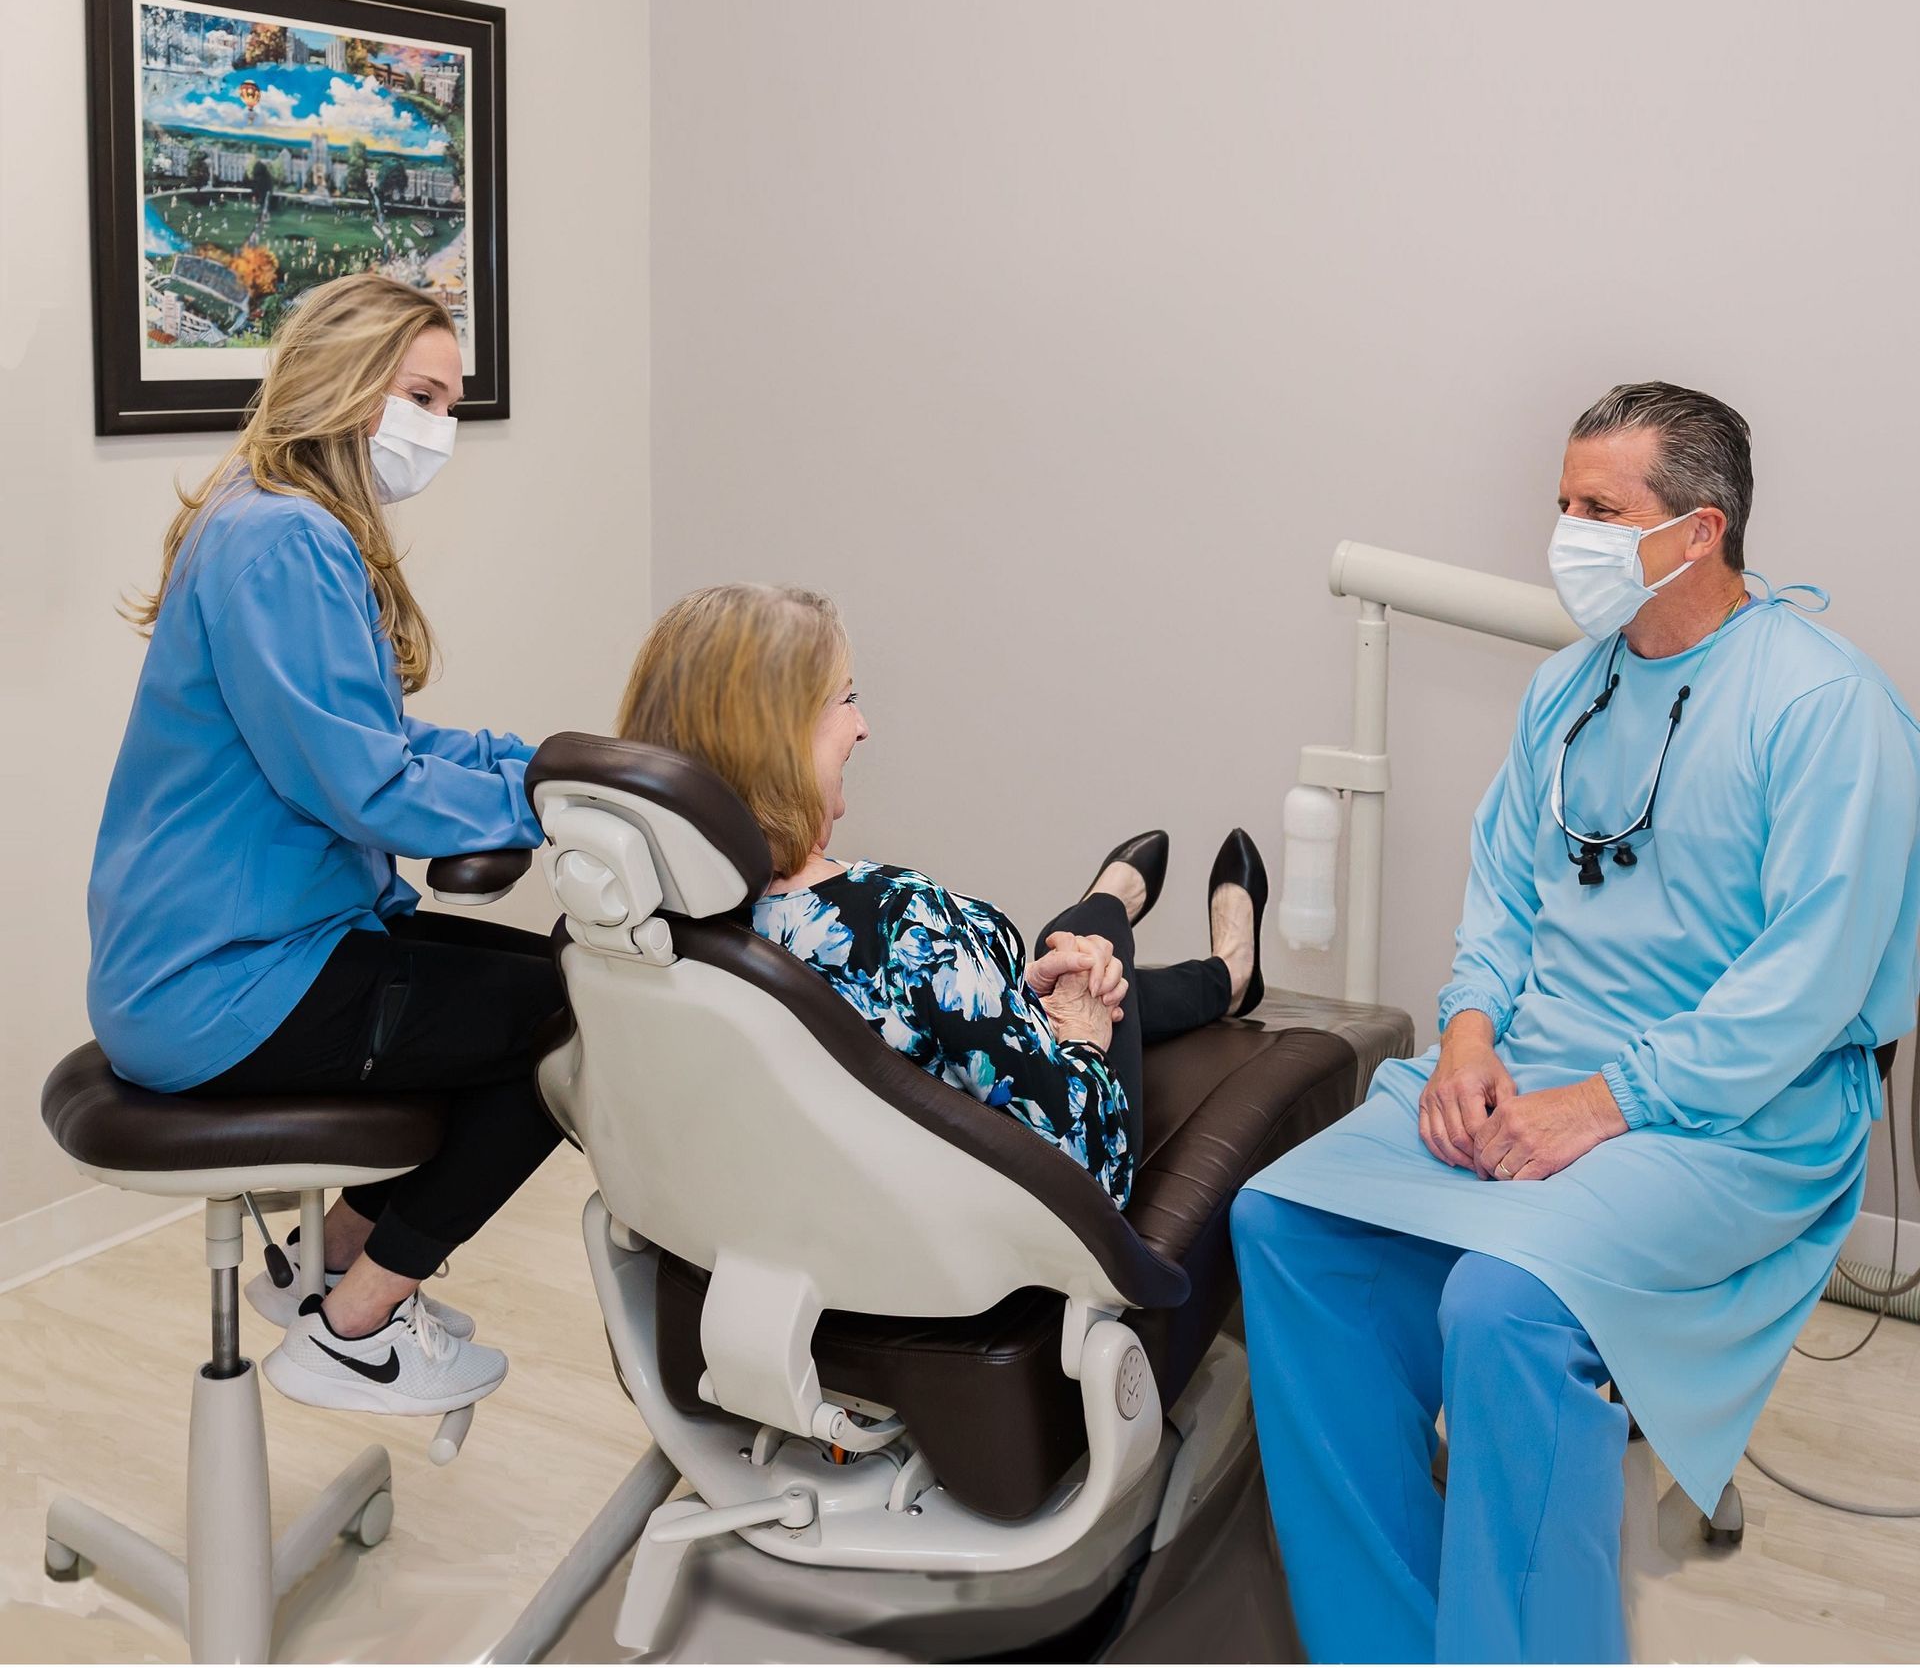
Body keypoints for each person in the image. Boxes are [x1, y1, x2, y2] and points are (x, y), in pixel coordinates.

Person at [1230, 382, 1920, 1663]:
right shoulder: (1566, 692)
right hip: (1535, 1070)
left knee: (1506, 1305)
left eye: (1599, 509)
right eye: (1562, 503)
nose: (1567, 533)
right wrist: (1475, 1038)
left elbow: (1807, 986)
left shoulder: (1828, 710)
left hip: (1742, 1117)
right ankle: (1386, 1638)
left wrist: (1603, 1105)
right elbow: (1501, 895)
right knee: (1284, 1223)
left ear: (1699, 530)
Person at [89, 273, 562, 1417]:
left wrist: (534, 765)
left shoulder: (272, 517)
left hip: (238, 957)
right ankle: (359, 1324)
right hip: (228, 985)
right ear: (349, 384)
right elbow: (365, 785)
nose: (437, 429)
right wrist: (547, 808)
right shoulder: (284, 540)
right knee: (579, 1019)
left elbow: (376, 733)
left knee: (555, 979)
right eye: (423, 395)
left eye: (450, 404)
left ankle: (332, 1257)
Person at [616, 583, 1270, 1204]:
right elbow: (1092, 1164)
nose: (863, 725)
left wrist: (1013, 993)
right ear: (782, 741)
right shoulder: (897, 928)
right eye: (846, 699)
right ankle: (1133, 920)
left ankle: (1204, 965)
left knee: (1071, 961)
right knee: (1095, 949)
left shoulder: (660, 924)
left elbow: (915, 1031)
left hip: (814, 1214)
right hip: (988, 1236)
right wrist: (1085, 1035)